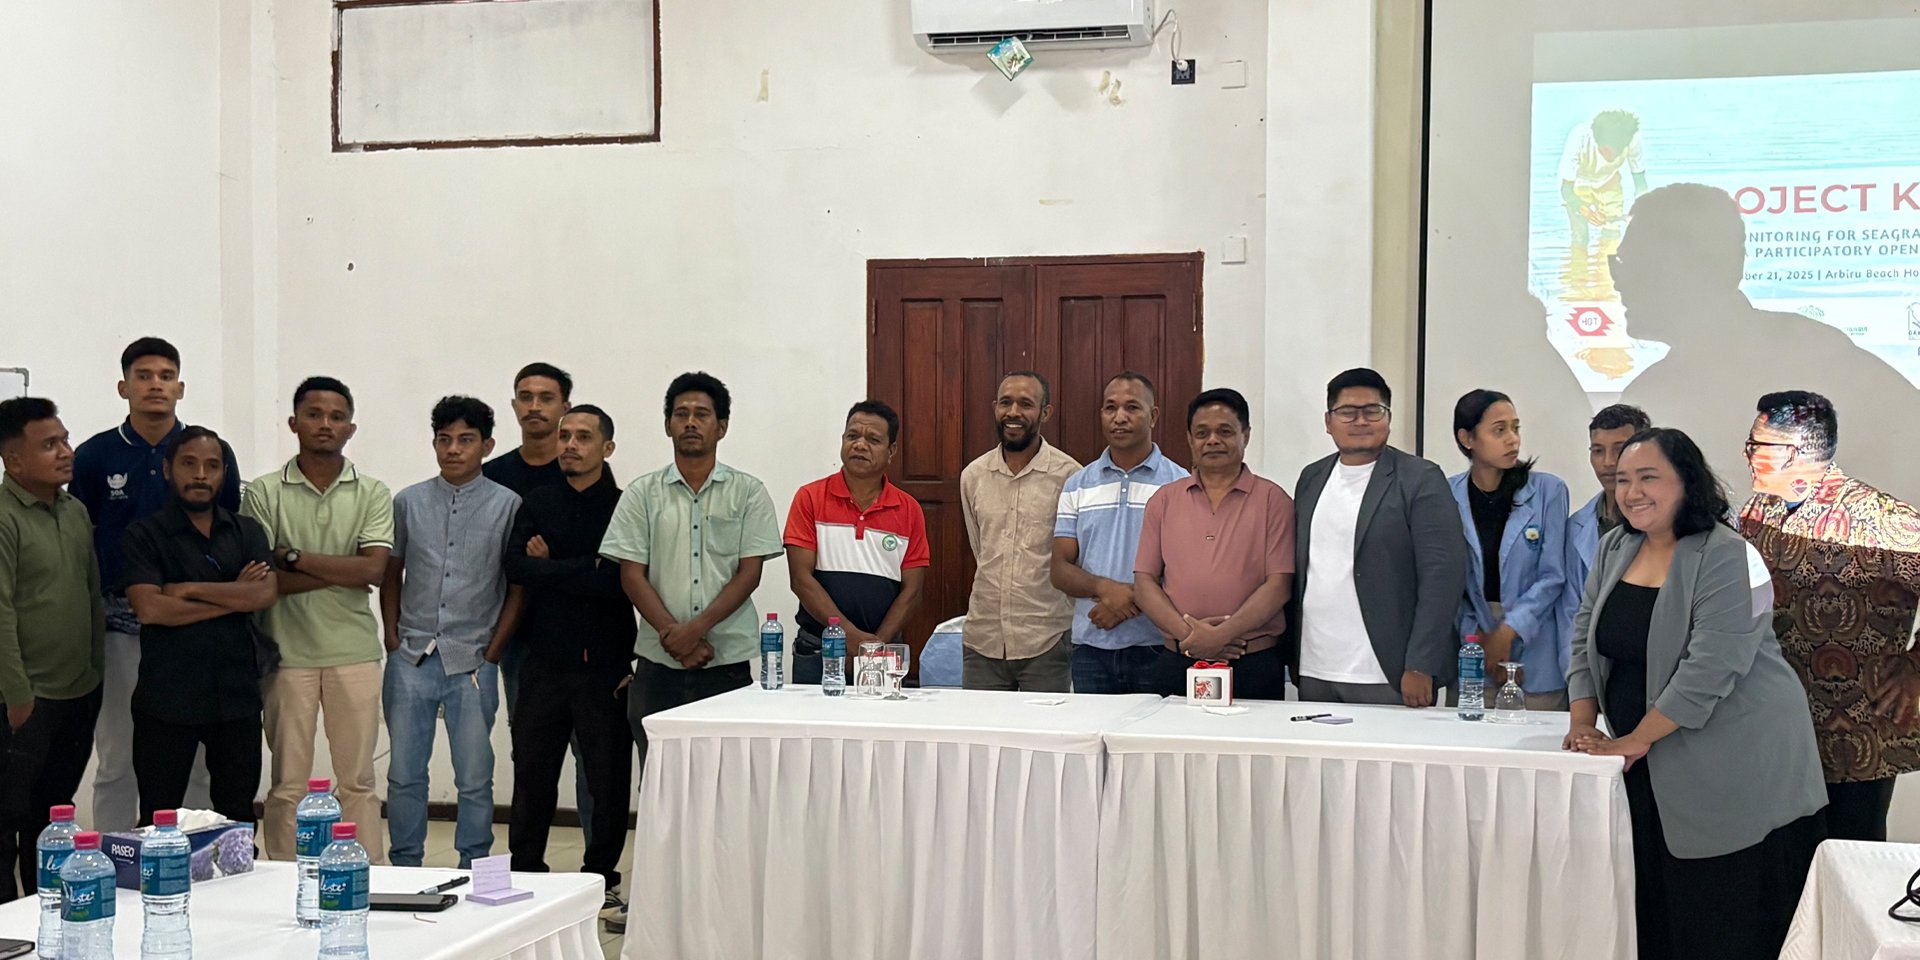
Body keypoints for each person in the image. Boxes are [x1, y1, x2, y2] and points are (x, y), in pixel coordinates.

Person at [1566, 427, 1826, 960]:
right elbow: (1583, 636)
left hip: (1735, 764)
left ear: (1687, 482)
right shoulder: (1616, 546)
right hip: (1649, 761)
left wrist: (1634, 739)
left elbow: (1710, 668)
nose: (1632, 491)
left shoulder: (1731, 556)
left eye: (1648, 477)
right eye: (1623, 480)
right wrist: (1582, 722)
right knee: (1656, 916)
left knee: (1720, 922)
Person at [1617, 183, 1920, 503]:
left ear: (1687, 270)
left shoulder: (1819, 357)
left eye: (1631, 266)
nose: (1619, 282)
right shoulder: (1647, 395)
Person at [71, 337, 239, 832]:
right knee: (117, 755)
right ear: (123, 387)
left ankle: (195, 853)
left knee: (196, 760)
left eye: (166, 376)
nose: (155, 385)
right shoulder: (95, 455)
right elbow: (83, 536)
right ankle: (111, 855)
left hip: (195, 627)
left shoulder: (207, 451)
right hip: (120, 628)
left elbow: (228, 531)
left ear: (180, 388)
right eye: (143, 376)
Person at [1737, 391, 1920, 842]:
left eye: (1756, 445)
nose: (1746, 455)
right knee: (1781, 859)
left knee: (1846, 858)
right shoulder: (1757, 513)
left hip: (1858, 735)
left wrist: (1917, 664)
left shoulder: (1880, 519)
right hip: (1776, 725)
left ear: (1794, 451)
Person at [241, 377, 393, 864]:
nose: (325, 424)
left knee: (358, 782)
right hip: (286, 654)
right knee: (288, 784)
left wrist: (294, 556)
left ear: (350, 428)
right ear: (294, 423)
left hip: (355, 652)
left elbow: (373, 570)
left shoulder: (372, 492)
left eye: (336, 416)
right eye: (314, 414)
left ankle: (367, 874)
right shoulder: (264, 492)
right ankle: (286, 877)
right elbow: (263, 580)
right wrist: (340, 570)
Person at [601, 371, 780, 770]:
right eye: (681, 414)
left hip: (726, 662)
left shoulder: (748, 492)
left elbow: (749, 574)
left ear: (722, 427)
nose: (691, 422)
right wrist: (674, 635)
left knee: (726, 779)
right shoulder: (641, 493)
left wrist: (693, 631)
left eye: (702, 414)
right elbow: (631, 574)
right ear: (668, 426)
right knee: (659, 780)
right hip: (657, 665)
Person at [379, 396, 522, 869]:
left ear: (487, 446)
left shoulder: (508, 505)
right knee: (403, 774)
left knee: (475, 777)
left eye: (465, 440)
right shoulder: (409, 501)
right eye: (444, 440)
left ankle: (474, 865)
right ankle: (405, 865)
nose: (453, 449)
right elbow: (391, 573)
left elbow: (517, 586)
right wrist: (392, 639)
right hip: (412, 655)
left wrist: (493, 652)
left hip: (474, 659)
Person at [505, 405, 633, 909]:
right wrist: (585, 567)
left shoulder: (624, 506)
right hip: (544, 659)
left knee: (607, 779)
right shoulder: (537, 501)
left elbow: (618, 579)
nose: (570, 446)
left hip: (605, 663)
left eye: (583, 437)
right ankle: (526, 872)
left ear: (607, 447)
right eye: (565, 437)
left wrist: (553, 565)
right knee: (532, 774)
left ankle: (600, 878)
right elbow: (517, 567)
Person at [119, 426, 275, 826]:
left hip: (236, 697)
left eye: (212, 465)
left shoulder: (246, 531)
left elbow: (262, 594)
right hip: (166, 698)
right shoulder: (143, 535)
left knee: (237, 817)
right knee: (158, 818)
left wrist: (187, 590)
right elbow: (151, 609)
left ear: (224, 473)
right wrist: (232, 598)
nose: (201, 474)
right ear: (168, 469)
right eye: (189, 464)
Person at [1289, 369, 1467, 706]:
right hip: (1316, 666)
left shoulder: (1420, 478)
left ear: (1388, 417)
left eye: (1372, 411)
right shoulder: (1311, 477)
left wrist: (1421, 663)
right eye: (1347, 412)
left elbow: (1443, 577)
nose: (1360, 421)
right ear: (1328, 421)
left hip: (1389, 671)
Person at [482, 362, 596, 850]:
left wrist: (552, 563)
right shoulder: (494, 475)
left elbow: (602, 564)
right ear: (514, 406)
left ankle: (597, 866)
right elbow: (511, 564)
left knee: (593, 757)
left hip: (585, 639)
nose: (534, 406)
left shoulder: (586, 468)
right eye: (525, 397)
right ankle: (528, 862)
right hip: (518, 639)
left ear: (564, 406)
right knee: (530, 755)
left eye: (546, 398)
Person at [0, 398, 104, 903]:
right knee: (6, 821)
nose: (66, 452)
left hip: (78, 691)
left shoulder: (75, 510)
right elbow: (1, 611)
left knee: (51, 822)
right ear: (14, 460)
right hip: (23, 700)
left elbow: (90, 595)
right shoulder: (4, 518)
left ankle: (47, 915)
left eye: (65, 440)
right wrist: (17, 694)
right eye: (49, 445)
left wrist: (95, 672)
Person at [1133, 388, 1293, 699]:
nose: (1213, 440)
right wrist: (1193, 638)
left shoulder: (1274, 500)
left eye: (1225, 431)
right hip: (1180, 658)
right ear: (1190, 439)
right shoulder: (1164, 501)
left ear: (1246, 435)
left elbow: (1278, 586)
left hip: (1252, 662)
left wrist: (1222, 636)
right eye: (1202, 433)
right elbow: (1144, 582)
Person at [1051, 373, 1189, 693]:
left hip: (1158, 645)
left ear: (1153, 416)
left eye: (1132, 407)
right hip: (1090, 649)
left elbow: (1186, 570)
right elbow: (1059, 569)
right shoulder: (1078, 485)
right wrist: (1105, 588)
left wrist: (1127, 601)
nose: (1120, 417)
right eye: (1110, 408)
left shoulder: (1179, 484)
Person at [783, 401, 928, 684]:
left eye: (873, 439)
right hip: (819, 649)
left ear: (891, 451)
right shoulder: (810, 498)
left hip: (882, 651)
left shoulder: (908, 509)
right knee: (812, 716)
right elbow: (800, 579)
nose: (860, 445)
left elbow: (912, 591)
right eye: (852, 436)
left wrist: (872, 647)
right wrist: (849, 637)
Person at [1448, 389, 1572, 709]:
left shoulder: (1548, 491)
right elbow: (1449, 582)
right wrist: (1480, 638)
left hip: (1536, 647)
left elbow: (1553, 576)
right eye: (1499, 430)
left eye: (1515, 428)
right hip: (1473, 648)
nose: (1513, 439)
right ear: (1467, 438)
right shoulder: (1446, 494)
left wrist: (1508, 632)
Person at [959, 372, 1081, 691]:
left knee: (1044, 726)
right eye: (1005, 403)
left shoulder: (1070, 477)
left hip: (1046, 642)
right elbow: (980, 549)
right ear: (995, 408)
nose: (1013, 412)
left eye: (1026, 404)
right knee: (980, 726)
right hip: (983, 641)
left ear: (1045, 412)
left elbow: (1075, 560)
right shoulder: (973, 476)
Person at [1567, 404, 1652, 609]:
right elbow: (1569, 610)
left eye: (1619, 450)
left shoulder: (1664, 520)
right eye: (1598, 451)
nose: (1608, 462)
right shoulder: (1575, 527)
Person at [1557, 109, 1647, 299]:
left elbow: (1640, 183)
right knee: (1580, 237)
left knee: (1612, 234)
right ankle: (1578, 284)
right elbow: (1566, 191)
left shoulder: (1632, 140)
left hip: (1609, 182)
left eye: (1614, 153)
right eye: (1604, 151)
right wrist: (1587, 211)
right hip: (1578, 184)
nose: (1609, 156)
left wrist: (1643, 211)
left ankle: (1606, 284)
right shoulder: (1579, 137)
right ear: (1596, 140)